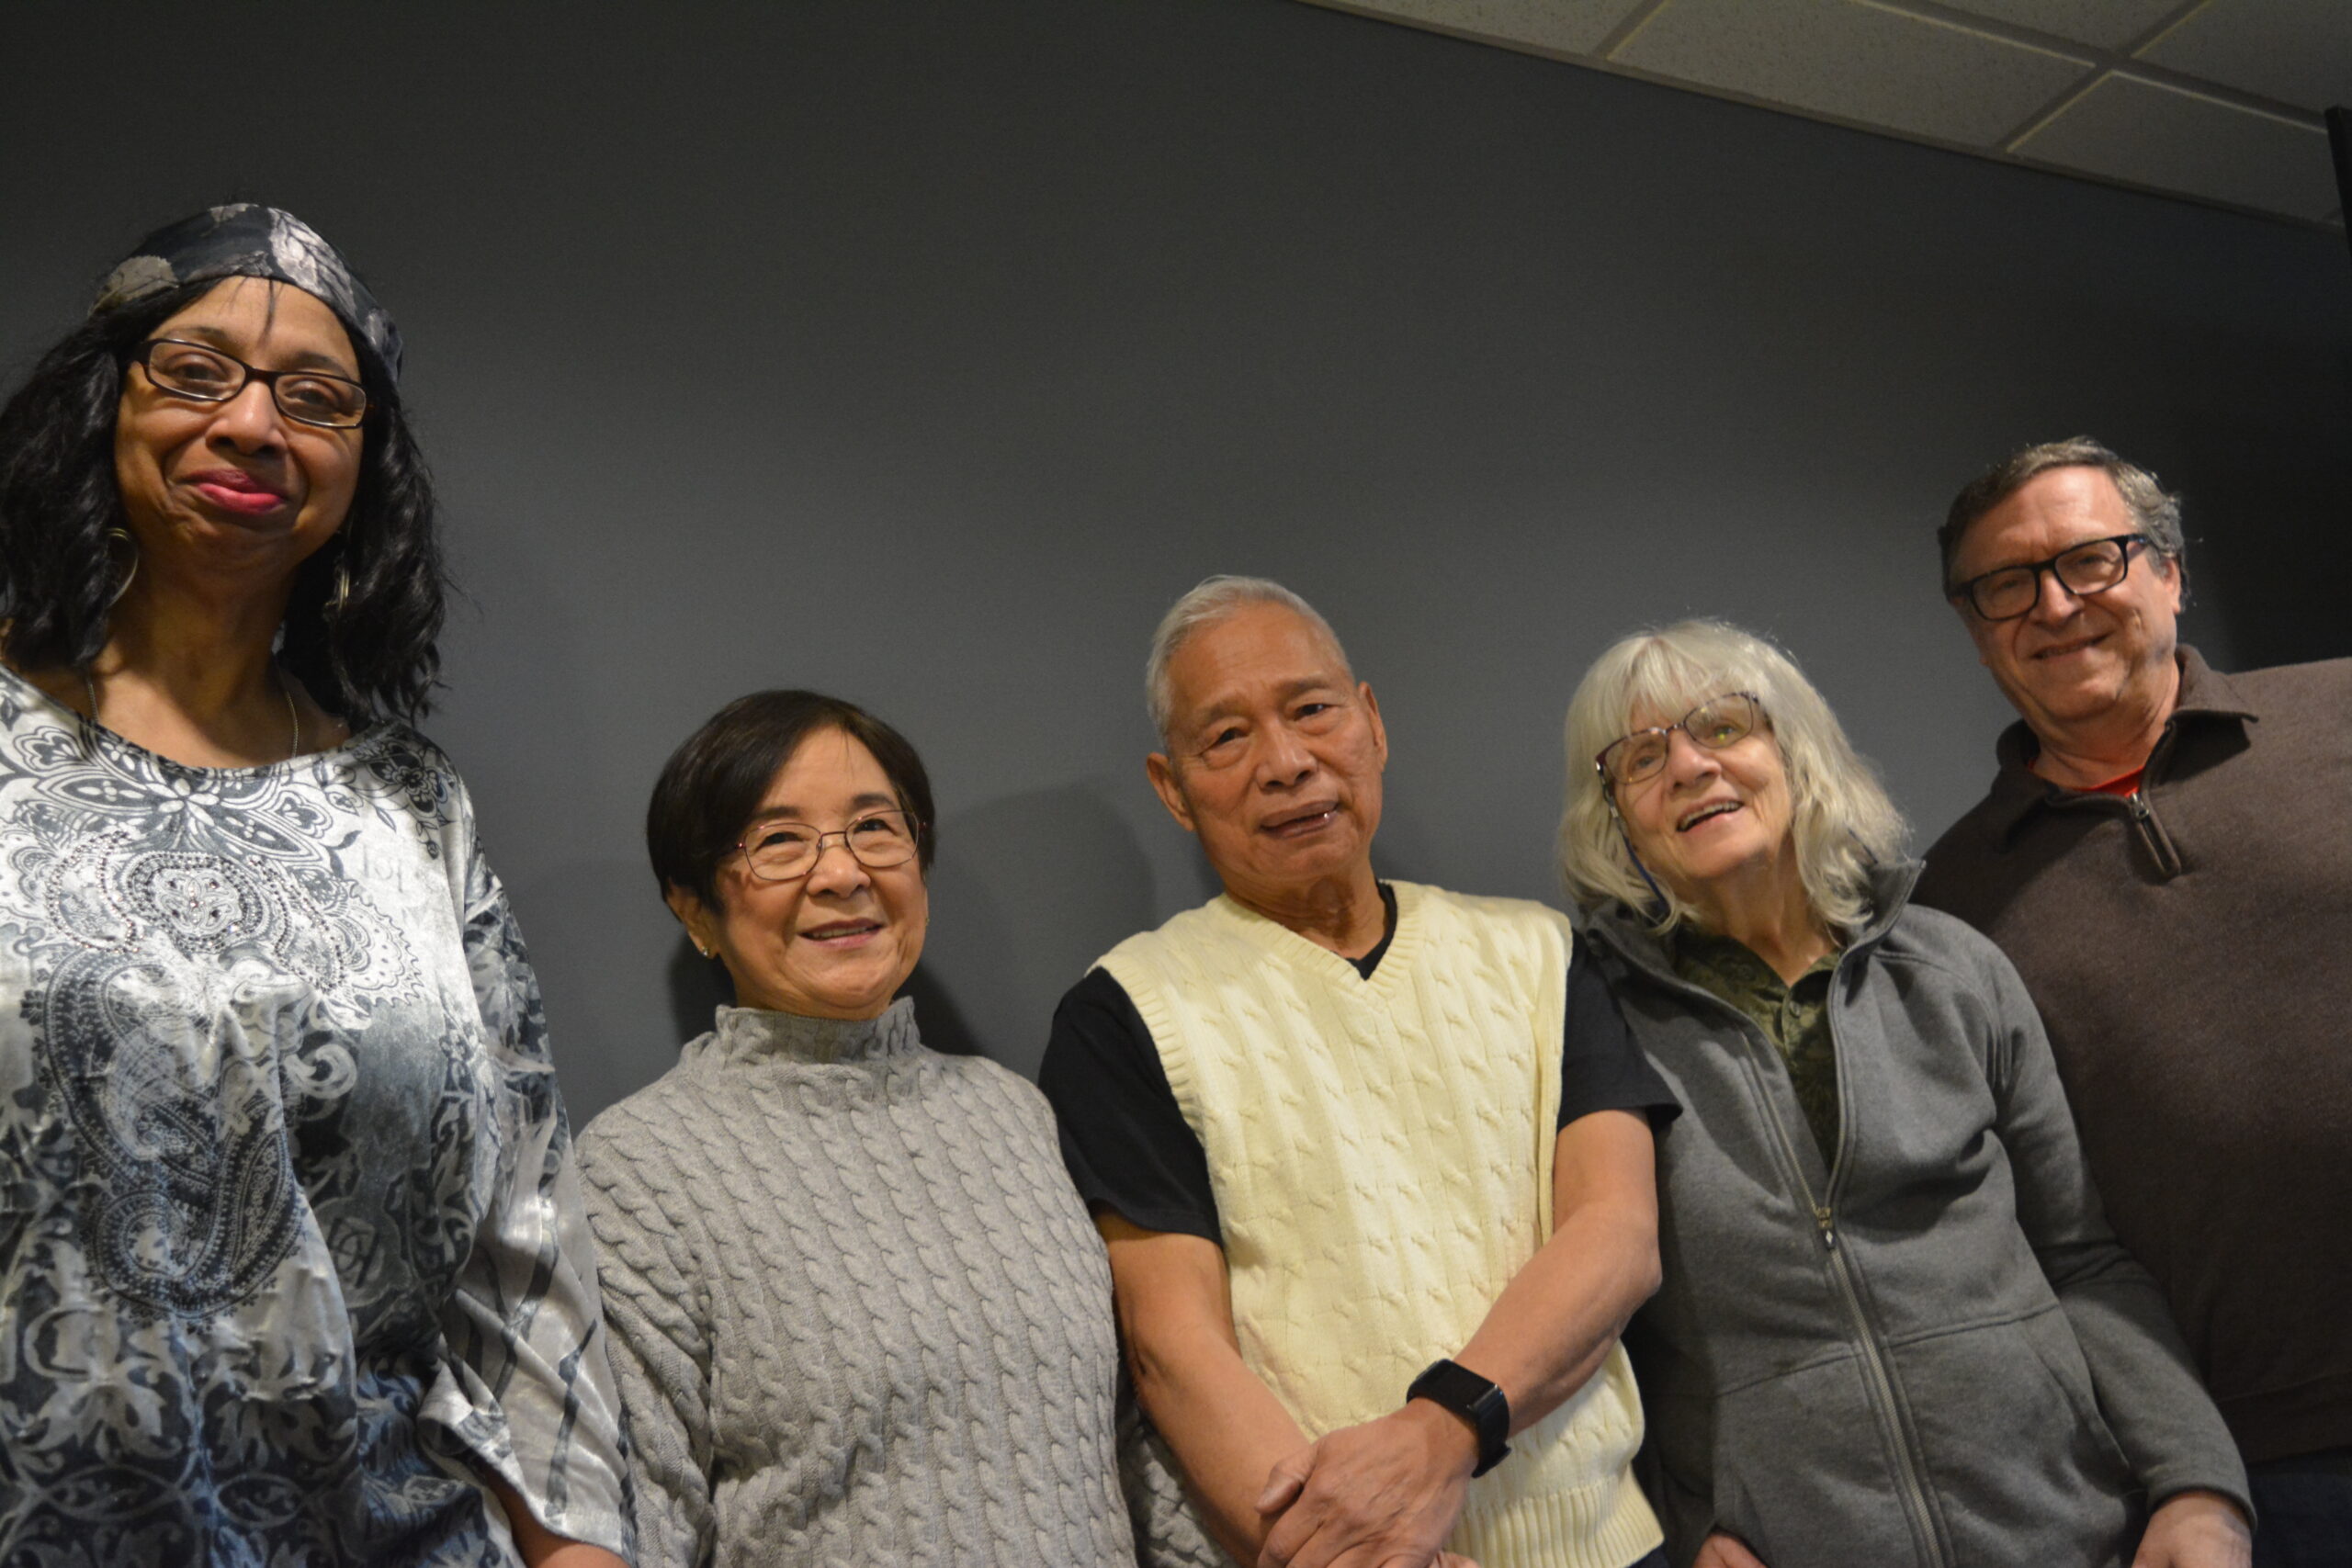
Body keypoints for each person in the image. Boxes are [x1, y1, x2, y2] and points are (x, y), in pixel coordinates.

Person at [0, 207, 628, 1563]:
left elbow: (523, 1237)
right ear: (102, 404)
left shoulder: (410, 804)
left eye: (316, 396)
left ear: (365, 467)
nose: (250, 424)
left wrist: (578, 1544)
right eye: (195, 370)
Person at [1558, 617, 2251, 1568]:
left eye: (1722, 728)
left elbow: (2081, 1257)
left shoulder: (1955, 968)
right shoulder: (1586, 1021)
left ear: (1793, 753)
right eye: (1639, 757)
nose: (1686, 765)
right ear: (1615, 817)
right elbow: (1589, 1329)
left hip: (2069, 1534)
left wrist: (2198, 1487)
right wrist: (1677, 1532)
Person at [1040, 575, 1678, 1568]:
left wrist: (1442, 1432)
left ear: (1371, 725)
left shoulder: (1538, 953)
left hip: (1608, 1545)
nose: (1286, 764)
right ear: (1172, 788)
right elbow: (1174, 1350)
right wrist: (1366, 1558)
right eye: (1227, 738)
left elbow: (1618, 1235)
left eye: (1311, 711)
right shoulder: (1123, 1012)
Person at [576, 690, 1196, 1565]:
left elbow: (1134, 1458)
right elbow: (640, 1522)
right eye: (780, 840)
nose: (842, 873)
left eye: (875, 827)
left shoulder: (1012, 1114)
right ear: (695, 908)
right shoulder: (639, 1167)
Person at [1915, 436, 2352, 1566]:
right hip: (2261, 1467)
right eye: (2006, 585)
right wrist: (2187, 1475)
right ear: (1974, 628)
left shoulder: (2342, 712)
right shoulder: (1949, 908)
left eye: (2091, 560)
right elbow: (2044, 1233)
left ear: (2168, 572)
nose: (2054, 605)